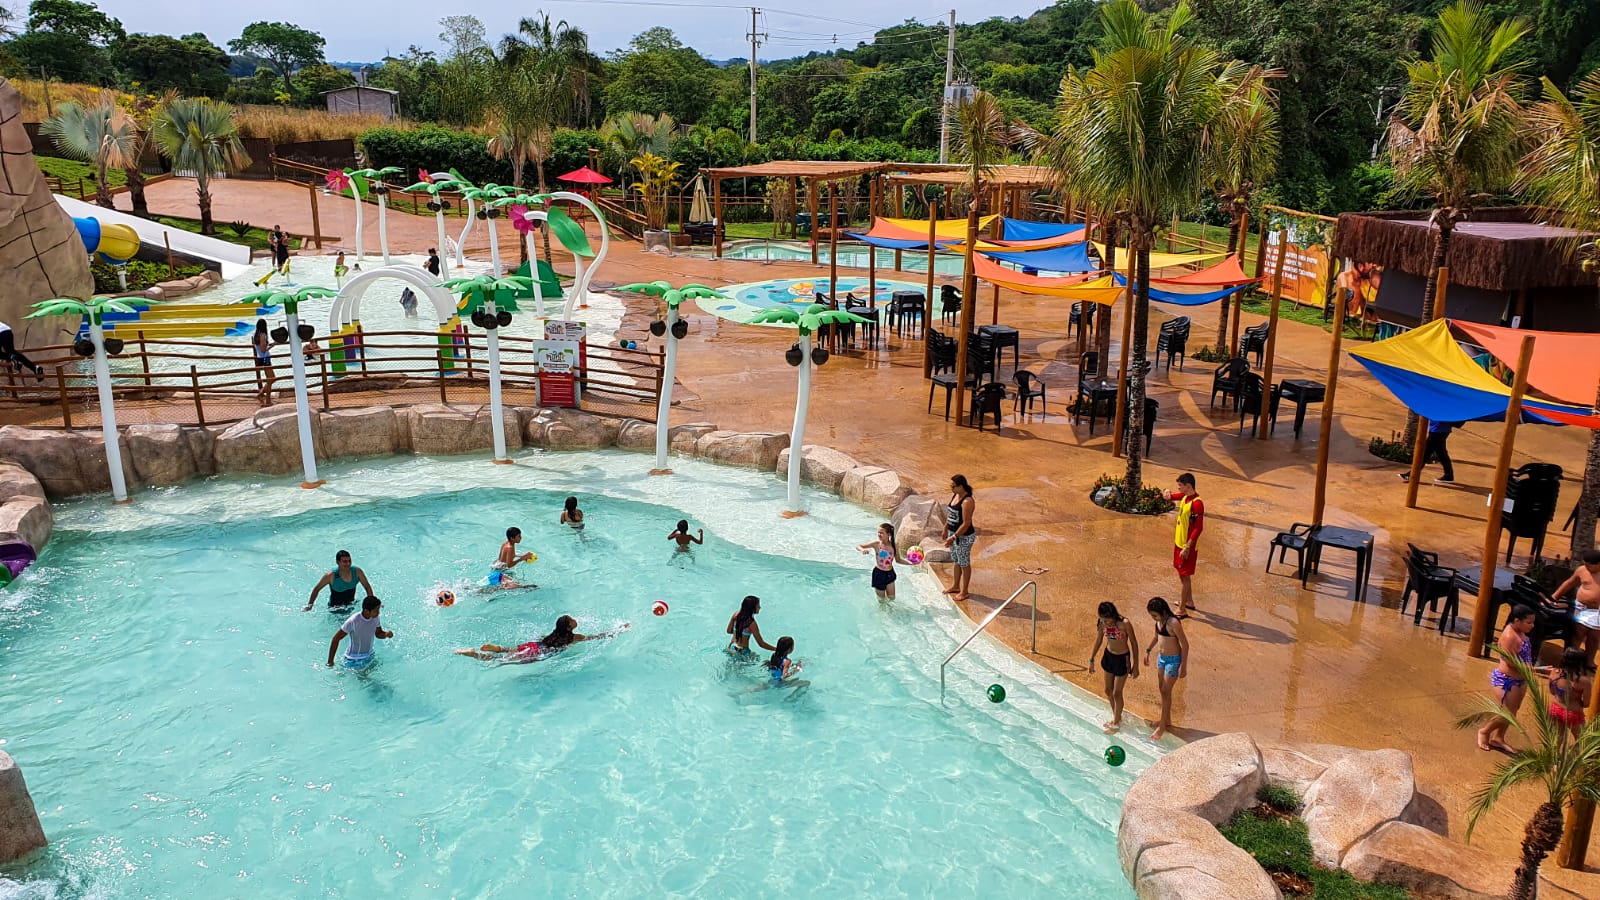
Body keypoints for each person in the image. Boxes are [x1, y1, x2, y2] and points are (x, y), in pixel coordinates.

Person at [1478, 605, 1540, 753]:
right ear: (1517, 620)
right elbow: (1510, 662)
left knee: (1513, 710)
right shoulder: (1509, 636)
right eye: (1529, 622)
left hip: (1520, 680)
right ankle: (1484, 732)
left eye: (1533, 622)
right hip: (1507, 680)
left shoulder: (1521, 632)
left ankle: (1498, 738)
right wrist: (1537, 669)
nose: (1532, 626)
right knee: (1507, 713)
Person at [454, 615, 628, 664]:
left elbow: (541, 639)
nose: (575, 620)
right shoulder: (575, 637)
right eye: (572, 620)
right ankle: (474, 654)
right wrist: (617, 631)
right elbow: (596, 637)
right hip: (540, 652)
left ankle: (497, 648)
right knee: (500, 662)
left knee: (508, 651)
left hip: (535, 644)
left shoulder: (554, 633)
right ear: (569, 627)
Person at [1088, 601, 1139, 734]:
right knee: (1108, 690)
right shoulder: (1102, 623)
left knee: (1117, 693)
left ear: (1113, 615)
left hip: (1122, 659)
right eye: (1103, 620)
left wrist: (1136, 665)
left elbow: (1134, 643)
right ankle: (1117, 716)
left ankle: (1116, 724)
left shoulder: (1124, 623)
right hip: (1109, 657)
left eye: (1108, 620)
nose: (1106, 623)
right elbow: (1099, 640)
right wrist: (1092, 659)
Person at [1142, 597, 1188, 740]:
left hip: (1173, 661)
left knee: (1165, 691)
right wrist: (1148, 650)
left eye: (1155, 615)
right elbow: (1156, 637)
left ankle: (1162, 727)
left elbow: (1185, 645)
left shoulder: (1173, 623)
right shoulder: (1158, 622)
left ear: (1163, 611)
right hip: (1161, 659)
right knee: (1162, 690)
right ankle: (1166, 720)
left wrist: (1183, 666)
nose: (1153, 618)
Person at [1553, 549, 1600, 667]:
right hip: (1581, 607)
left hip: (1597, 610)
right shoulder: (1582, 570)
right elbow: (1569, 584)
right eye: (1585, 564)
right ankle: (1572, 660)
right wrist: (1554, 597)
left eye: (1590, 565)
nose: (1587, 567)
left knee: (1594, 637)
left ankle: (1589, 661)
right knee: (1578, 633)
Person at [327, 595, 392, 668]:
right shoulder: (353, 621)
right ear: (366, 611)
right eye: (376, 611)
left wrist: (386, 634)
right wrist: (330, 662)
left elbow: (378, 633)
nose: (378, 613)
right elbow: (336, 639)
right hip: (353, 659)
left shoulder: (375, 618)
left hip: (369, 655)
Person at [1170, 473, 1203, 617]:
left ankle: (1182, 609)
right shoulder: (1186, 497)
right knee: (1181, 574)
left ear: (1188, 486)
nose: (1178, 488)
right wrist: (1169, 496)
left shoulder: (1197, 504)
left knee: (1185, 577)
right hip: (1179, 543)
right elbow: (1178, 496)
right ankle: (1188, 601)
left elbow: (1198, 528)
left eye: (1180, 486)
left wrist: (1188, 547)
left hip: (1186, 547)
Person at [942, 474, 976, 601]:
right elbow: (950, 515)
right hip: (953, 533)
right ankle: (956, 586)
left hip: (964, 536)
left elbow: (966, 523)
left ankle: (964, 591)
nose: (951, 488)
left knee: (964, 562)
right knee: (956, 560)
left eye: (953, 486)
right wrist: (945, 529)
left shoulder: (967, 501)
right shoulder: (955, 495)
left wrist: (953, 537)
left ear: (961, 486)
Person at [305, 550, 373, 611]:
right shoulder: (331, 576)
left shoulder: (357, 571)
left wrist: (372, 603)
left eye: (349, 561)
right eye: (345, 561)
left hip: (351, 606)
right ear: (337, 562)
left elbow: (367, 586)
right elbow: (317, 589)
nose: (348, 564)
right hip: (335, 609)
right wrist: (310, 605)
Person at [1547, 647, 1592, 738]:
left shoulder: (1554, 672)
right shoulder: (1585, 681)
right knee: (1583, 741)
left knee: (1556, 740)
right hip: (1573, 713)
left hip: (1555, 709)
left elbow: (1552, 692)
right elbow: (1586, 704)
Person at [857, 523, 900, 601]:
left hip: (890, 573)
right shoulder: (876, 544)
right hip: (878, 574)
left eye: (881, 533)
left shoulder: (894, 545)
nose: (879, 534)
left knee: (892, 599)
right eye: (878, 532)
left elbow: (899, 560)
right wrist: (862, 550)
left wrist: (911, 563)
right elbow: (859, 546)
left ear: (888, 534)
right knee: (882, 600)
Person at [251, 319, 274, 407]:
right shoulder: (263, 335)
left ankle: (261, 394)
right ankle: (267, 400)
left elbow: (260, 348)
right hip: (266, 358)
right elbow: (263, 350)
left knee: (271, 379)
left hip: (261, 358)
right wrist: (273, 345)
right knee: (271, 379)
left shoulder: (256, 335)